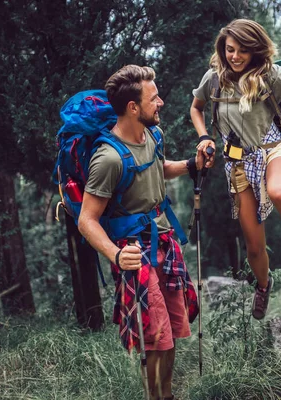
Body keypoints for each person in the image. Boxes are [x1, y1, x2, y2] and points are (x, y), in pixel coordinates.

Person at [78, 65, 209, 400]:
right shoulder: (107, 159)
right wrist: (118, 256)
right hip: (134, 251)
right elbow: (87, 220)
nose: (161, 102)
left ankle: (167, 395)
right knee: (155, 335)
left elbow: (157, 168)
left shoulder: (153, 135)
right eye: (154, 98)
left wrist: (190, 165)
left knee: (173, 329)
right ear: (133, 107)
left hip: (165, 241)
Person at [190, 19, 281, 320]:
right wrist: (204, 136)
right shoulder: (212, 79)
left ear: (255, 51)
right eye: (231, 49)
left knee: (279, 192)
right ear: (223, 48)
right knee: (254, 246)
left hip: (274, 148)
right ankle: (263, 287)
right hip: (238, 162)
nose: (236, 56)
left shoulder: (269, 74)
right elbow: (196, 106)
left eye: (243, 51)